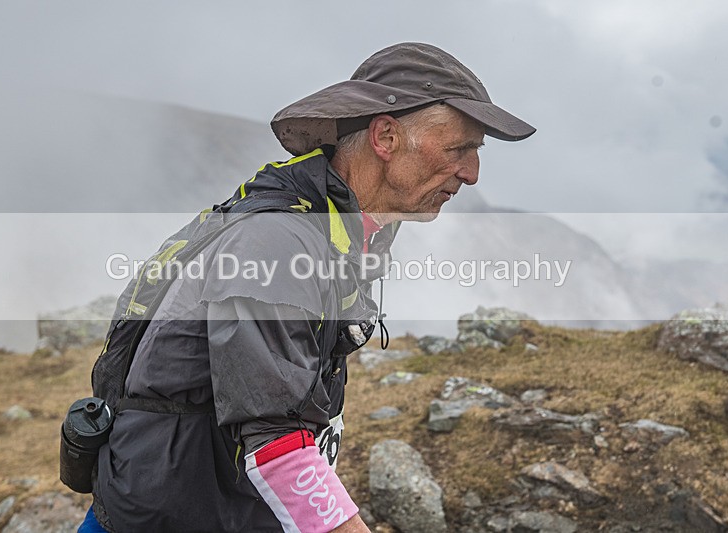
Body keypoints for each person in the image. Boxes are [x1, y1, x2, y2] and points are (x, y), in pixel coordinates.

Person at [82, 42, 534, 532]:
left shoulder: (345, 230)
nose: (471, 173)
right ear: (385, 136)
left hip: (221, 509)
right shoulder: (276, 240)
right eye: (458, 149)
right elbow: (276, 438)